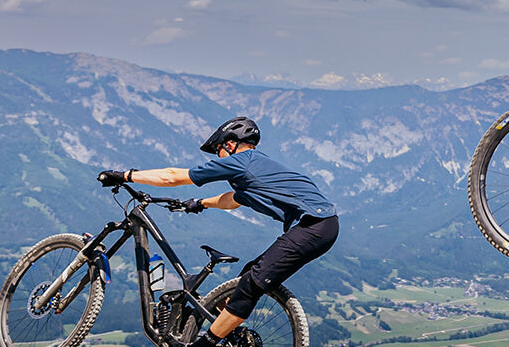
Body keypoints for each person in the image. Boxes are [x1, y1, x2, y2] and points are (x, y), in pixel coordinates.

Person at [96, 116, 339, 347]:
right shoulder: (256, 168)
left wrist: (126, 175)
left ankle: (204, 344)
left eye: (219, 151)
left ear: (231, 145)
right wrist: (199, 203)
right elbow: (233, 199)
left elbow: (172, 177)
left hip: (313, 225)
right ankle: (217, 327)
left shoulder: (242, 162)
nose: (218, 158)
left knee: (252, 282)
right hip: (320, 226)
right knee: (246, 277)